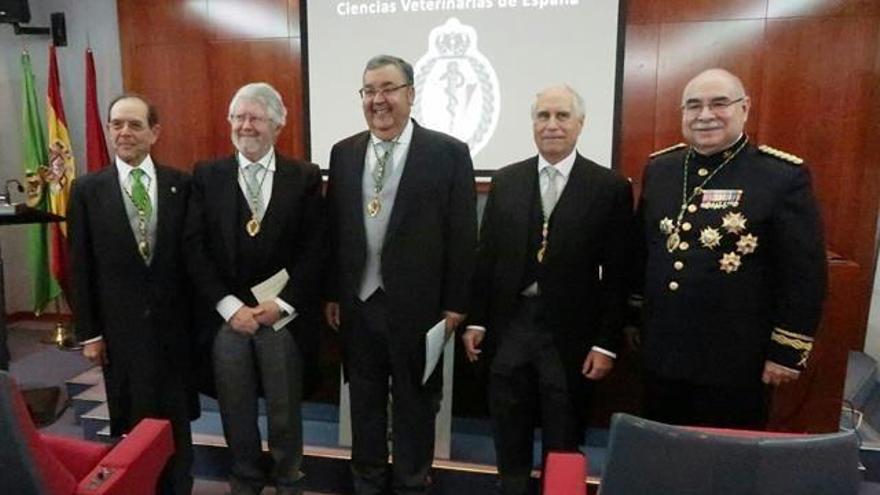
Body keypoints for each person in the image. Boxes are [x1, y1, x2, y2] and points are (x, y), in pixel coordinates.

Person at [462, 85, 632, 495]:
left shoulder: (608, 186)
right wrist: (478, 321)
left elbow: (620, 274)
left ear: (580, 124)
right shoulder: (507, 180)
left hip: (571, 336)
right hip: (511, 326)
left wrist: (607, 344)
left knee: (563, 433)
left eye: (561, 116)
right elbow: (487, 259)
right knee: (508, 428)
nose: (551, 125)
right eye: (543, 116)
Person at [634, 68, 827, 428]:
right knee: (662, 458)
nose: (705, 115)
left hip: (736, 361)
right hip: (663, 353)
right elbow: (643, 253)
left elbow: (804, 273)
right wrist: (634, 322)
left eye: (719, 103)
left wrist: (787, 351)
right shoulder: (661, 169)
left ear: (745, 108)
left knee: (725, 466)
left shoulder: (780, 176)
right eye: (693, 106)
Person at [324, 54, 477, 495]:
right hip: (359, 306)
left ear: (411, 93)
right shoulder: (345, 152)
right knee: (365, 409)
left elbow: (463, 234)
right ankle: (367, 486)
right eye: (369, 90)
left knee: (415, 409)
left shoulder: (448, 153)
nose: (378, 100)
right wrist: (335, 293)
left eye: (388, 89)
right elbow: (337, 231)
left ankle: (411, 485)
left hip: (420, 309)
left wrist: (455, 306)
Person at [184, 82, 324, 495]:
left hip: (281, 316)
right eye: (239, 117)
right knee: (234, 406)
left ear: (277, 126)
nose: (246, 126)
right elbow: (194, 248)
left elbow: (316, 250)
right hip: (229, 317)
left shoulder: (304, 177)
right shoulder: (207, 175)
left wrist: (281, 304)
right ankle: (244, 476)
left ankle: (287, 476)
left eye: (256, 118)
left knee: (285, 407)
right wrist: (229, 307)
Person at [68, 94, 197, 495]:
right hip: (120, 333)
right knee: (134, 422)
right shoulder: (87, 190)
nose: (124, 132)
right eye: (116, 124)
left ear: (154, 132)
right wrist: (89, 334)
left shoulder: (181, 184)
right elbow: (80, 266)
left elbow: (192, 260)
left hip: (175, 332)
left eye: (134, 125)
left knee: (177, 422)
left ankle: (181, 486)